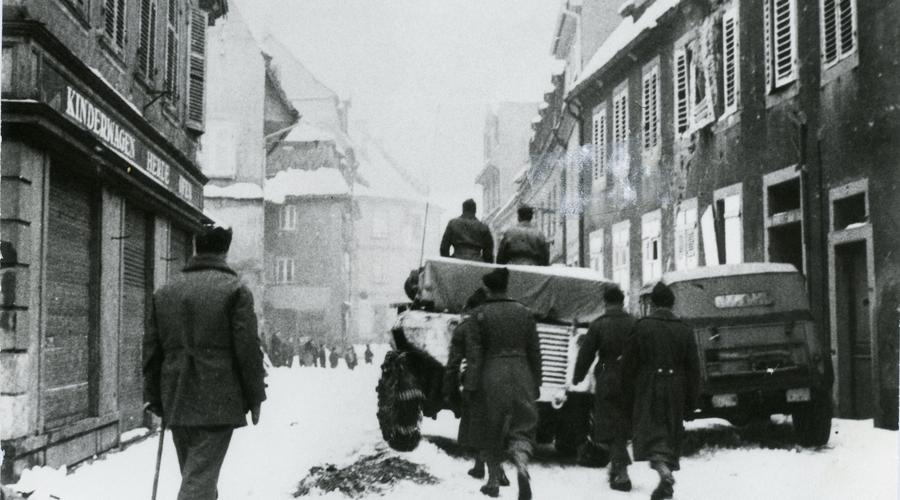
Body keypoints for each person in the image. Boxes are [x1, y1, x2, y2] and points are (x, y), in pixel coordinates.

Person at [142, 225, 266, 500]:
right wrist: (255, 397)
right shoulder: (235, 290)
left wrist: (154, 397)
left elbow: (151, 351)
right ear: (225, 250)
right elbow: (247, 349)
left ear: (197, 247)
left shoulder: (165, 292)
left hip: (176, 398)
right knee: (199, 482)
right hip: (218, 401)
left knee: (197, 477)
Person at [464, 268, 541, 500]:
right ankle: (521, 465)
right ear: (507, 288)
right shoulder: (525, 313)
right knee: (523, 427)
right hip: (522, 374)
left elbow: (475, 356)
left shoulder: (479, 314)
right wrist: (536, 381)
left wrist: (470, 386)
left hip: (491, 375)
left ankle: (493, 481)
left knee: (491, 427)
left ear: (487, 289)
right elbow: (535, 352)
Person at [621, 282, 701, 500]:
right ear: (672, 304)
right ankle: (665, 479)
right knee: (670, 433)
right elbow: (694, 369)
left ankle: (664, 473)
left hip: (649, 386)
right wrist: (691, 403)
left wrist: (627, 394)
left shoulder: (642, 326)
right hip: (677, 387)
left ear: (653, 303)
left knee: (651, 435)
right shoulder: (684, 329)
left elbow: (628, 364)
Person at [572, 285, 636, 491]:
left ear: (605, 303)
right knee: (623, 424)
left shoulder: (599, 325)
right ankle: (617, 469)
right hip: (631, 379)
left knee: (610, 426)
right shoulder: (635, 323)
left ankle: (621, 473)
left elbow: (586, 353)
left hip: (608, 378)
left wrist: (577, 376)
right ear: (623, 301)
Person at [443, 287, 510, 486]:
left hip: (476, 384)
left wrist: (450, 390)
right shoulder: (502, 326)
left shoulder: (464, 328)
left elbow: (453, 363)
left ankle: (495, 475)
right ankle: (480, 466)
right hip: (502, 382)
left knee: (481, 428)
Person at [440, 198, 495, 263]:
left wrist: (448, 263)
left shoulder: (453, 223)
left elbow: (444, 248)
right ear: (475, 210)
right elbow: (488, 253)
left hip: (456, 261)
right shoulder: (484, 227)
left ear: (463, 209)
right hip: (477, 263)